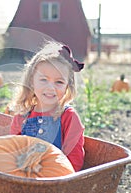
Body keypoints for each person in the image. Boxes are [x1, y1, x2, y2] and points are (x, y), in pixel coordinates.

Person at [10, 41, 85, 171]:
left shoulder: (69, 117)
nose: (51, 88)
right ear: (31, 81)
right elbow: (12, 150)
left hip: (55, 177)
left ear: (68, 86)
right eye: (44, 80)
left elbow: (74, 159)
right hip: (22, 175)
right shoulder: (22, 116)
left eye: (59, 82)